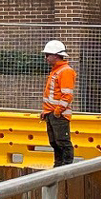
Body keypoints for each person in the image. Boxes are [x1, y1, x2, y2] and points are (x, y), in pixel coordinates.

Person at [41, 39, 76, 167]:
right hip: (52, 113)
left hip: (59, 114)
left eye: (47, 55)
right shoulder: (57, 70)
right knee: (55, 142)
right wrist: (47, 112)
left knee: (62, 142)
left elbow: (67, 95)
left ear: (56, 55)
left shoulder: (65, 71)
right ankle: (58, 165)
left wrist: (57, 111)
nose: (46, 58)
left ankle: (66, 166)